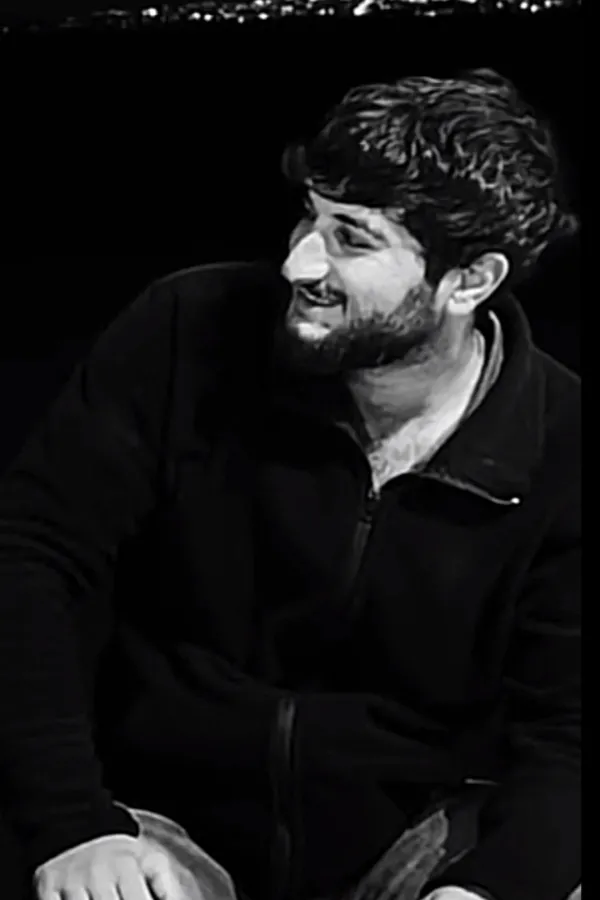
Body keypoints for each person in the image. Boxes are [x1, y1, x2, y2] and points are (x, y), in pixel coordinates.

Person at [0, 68, 580, 900]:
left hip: (423, 840)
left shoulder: (565, 444)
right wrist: (72, 823)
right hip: (160, 817)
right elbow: (34, 558)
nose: (298, 260)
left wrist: (492, 888)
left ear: (469, 281)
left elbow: (570, 731)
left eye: (353, 238)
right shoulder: (185, 329)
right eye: (310, 214)